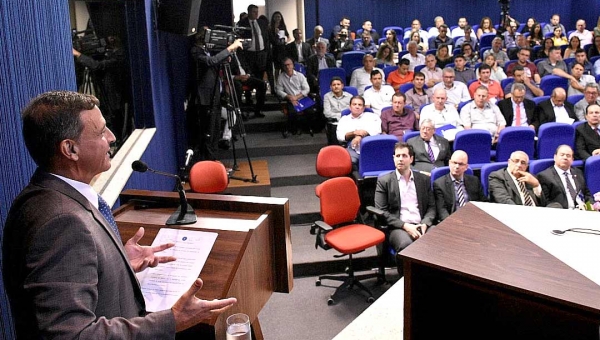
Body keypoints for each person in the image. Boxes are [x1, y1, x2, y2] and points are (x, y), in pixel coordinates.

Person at [2, 91, 237, 339]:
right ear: (70, 149)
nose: (112, 137)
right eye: (101, 132)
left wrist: (117, 262)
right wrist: (171, 321)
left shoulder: (45, 195)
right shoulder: (61, 222)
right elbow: (70, 335)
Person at [374, 142, 436, 276]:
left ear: (411, 159)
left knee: (438, 240)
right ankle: (407, 286)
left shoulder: (423, 180)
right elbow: (382, 212)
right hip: (398, 227)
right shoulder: (384, 181)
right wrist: (406, 226)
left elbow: (432, 207)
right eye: (397, 156)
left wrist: (425, 224)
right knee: (406, 246)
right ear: (393, 158)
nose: (400, 159)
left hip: (422, 224)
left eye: (404, 155)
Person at [190, 34, 244, 161]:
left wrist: (227, 57)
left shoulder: (208, 51)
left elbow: (216, 62)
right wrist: (230, 48)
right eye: (207, 33)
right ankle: (208, 163)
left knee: (215, 132)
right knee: (208, 133)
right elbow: (211, 61)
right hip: (205, 99)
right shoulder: (195, 51)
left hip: (216, 97)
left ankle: (214, 161)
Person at [72, 36, 130, 145]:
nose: (110, 40)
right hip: (111, 94)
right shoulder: (111, 53)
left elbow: (97, 66)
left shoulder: (120, 56)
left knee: (116, 118)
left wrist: (79, 55)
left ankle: (118, 141)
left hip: (117, 97)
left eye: (112, 38)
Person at [434, 150, 487, 222]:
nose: (457, 167)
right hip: (452, 221)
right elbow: (442, 211)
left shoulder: (474, 181)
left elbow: (483, 203)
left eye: (461, 164)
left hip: (474, 219)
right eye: (454, 163)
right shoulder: (439, 184)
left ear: (466, 167)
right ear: (449, 163)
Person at [537, 145, 592, 209]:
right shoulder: (545, 176)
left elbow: (586, 193)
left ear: (572, 160)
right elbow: (545, 202)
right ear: (555, 157)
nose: (565, 157)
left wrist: (591, 204)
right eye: (562, 155)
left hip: (583, 210)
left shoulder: (578, 172)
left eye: (568, 156)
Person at [336, 95, 382, 167]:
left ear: (363, 108)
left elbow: (377, 130)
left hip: (371, 147)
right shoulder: (344, 119)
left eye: (360, 105)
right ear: (350, 107)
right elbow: (340, 136)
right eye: (354, 104)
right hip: (352, 147)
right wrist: (354, 133)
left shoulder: (372, 116)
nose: (357, 107)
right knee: (349, 162)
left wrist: (359, 136)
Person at [276, 57, 315, 137]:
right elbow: (278, 90)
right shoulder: (281, 77)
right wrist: (289, 97)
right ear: (283, 67)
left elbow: (307, 89)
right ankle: (294, 129)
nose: (287, 67)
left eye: (289, 64)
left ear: (293, 65)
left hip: (302, 98)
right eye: (285, 65)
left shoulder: (300, 76)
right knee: (292, 113)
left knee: (310, 112)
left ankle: (306, 128)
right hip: (290, 99)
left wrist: (296, 97)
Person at [237, 4, 270, 87]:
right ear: (249, 12)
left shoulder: (261, 22)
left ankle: (260, 94)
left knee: (260, 74)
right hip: (249, 53)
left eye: (257, 12)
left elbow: (265, 36)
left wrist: (266, 50)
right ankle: (248, 97)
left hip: (261, 53)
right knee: (249, 74)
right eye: (254, 12)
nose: (256, 13)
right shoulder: (242, 23)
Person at [231, 52, 267, 120]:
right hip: (235, 79)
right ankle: (239, 113)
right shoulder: (226, 56)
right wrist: (238, 77)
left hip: (246, 77)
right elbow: (224, 73)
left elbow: (247, 67)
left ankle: (258, 110)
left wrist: (248, 75)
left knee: (262, 84)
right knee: (238, 87)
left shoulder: (240, 54)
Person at [323, 76, 352, 144]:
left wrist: (343, 117)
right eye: (334, 85)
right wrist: (341, 116)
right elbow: (327, 113)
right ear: (331, 87)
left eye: (338, 84)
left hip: (347, 120)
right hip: (334, 121)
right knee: (334, 128)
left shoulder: (349, 96)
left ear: (342, 86)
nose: (336, 86)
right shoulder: (327, 96)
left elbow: (352, 111)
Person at [268, 11, 290, 90]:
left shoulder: (283, 26)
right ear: (273, 18)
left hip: (283, 49)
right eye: (276, 17)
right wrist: (275, 32)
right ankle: (277, 85)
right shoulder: (270, 26)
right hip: (275, 49)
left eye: (279, 17)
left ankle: (283, 84)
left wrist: (286, 40)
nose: (278, 18)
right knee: (277, 68)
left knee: (283, 67)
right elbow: (270, 38)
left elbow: (288, 36)